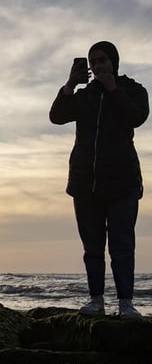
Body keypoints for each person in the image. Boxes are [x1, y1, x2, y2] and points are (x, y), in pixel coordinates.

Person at [49, 41, 149, 318]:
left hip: (123, 182)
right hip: (85, 182)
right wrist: (70, 84)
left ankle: (126, 303)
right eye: (93, 62)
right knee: (92, 247)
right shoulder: (85, 95)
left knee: (122, 245)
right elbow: (56, 116)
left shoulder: (133, 90)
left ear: (114, 62)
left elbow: (137, 117)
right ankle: (96, 300)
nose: (96, 65)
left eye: (102, 60)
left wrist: (113, 89)